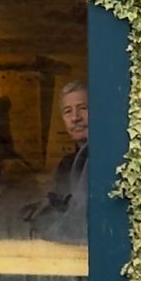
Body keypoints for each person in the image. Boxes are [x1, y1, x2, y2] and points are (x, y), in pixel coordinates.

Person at [30, 80, 88, 240]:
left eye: (83, 108)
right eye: (68, 111)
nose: (75, 118)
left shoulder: (103, 159)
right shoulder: (66, 165)